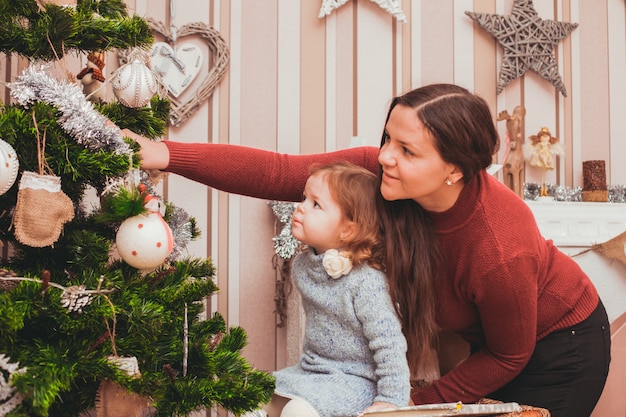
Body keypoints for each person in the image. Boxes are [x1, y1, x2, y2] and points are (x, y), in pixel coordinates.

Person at [122, 83, 611, 417]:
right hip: (491, 346)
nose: (384, 157)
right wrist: (163, 153)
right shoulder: (380, 178)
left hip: (559, 353)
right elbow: (278, 172)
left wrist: (410, 406)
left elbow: (510, 354)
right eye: (387, 139)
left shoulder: (499, 245)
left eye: (407, 150)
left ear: (455, 169)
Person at [257, 161, 410, 417]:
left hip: (356, 381)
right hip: (312, 371)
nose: (300, 208)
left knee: (298, 411)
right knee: (249, 394)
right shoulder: (303, 266)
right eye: (304, 198)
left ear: (348, 230)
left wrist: (391, 400)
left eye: (315, 204)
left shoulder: (366, 282)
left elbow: (390, 344)